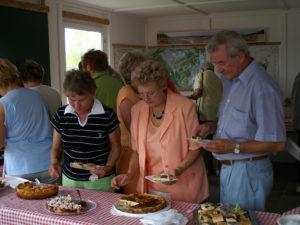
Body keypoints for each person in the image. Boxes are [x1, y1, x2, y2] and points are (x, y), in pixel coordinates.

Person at [198, 30, 286, 211]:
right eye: (215, 63)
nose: (218, 70)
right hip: (230, 169)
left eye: (221, 62)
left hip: (248, 172)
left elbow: (277, 143)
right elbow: (241, 122)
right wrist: (211, 126)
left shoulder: (262, 86)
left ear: (240, 56)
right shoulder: (231, 81)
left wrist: (232, 147)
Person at [112, 60, 209, 203]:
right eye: (141, 94)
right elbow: (136, 151)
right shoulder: (137, 110)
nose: (146, 99)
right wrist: (130, 174)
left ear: (163, 85)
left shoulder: (185, 107)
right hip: (151, 186)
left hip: (184, 184)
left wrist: (178, 170)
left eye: (150, 93)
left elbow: (196, 147)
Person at [49, 70, 121, 191]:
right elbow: (56, 147)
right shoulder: (61, 115)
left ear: (92, 93)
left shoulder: (107, 115)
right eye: (71, 99)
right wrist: (54, 162)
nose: (76, 105)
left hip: (100, 180)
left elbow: (116, 146)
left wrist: (108, 167)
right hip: (70, 179)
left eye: (82, 100)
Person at [0, 58, 55, 183]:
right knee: (52, 202)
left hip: (20, 168)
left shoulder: (2, 104)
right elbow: (50, 125)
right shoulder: (37, 96)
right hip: (48, 164)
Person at [115, 51, 147, 193]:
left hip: (139, 154)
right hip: (130, 156)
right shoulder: (127, 93)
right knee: (136, 201)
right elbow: (135, 132)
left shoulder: (136, 91)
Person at [190, 61, 222, 175]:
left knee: (204, 143)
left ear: (203, 69)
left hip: (205, 114)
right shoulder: (219, 80)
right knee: (217, 141)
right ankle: (218, 169)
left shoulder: (201, 75)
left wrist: (187, 98)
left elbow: (197, 92)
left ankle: (208, 169)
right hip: (217, 115)